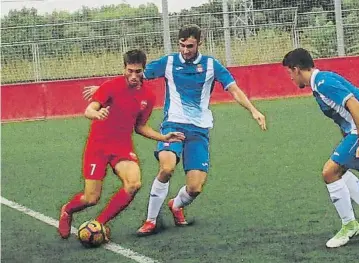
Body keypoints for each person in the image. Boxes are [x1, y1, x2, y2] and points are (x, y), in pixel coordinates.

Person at [83, 24, 267, 236]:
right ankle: (150, 220)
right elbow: (136, 75)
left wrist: (253, 110)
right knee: (167, 167)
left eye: (190, 46)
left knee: (195, 188)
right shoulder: (169, 62)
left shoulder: (211, 65)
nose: (185, 50)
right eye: (182, 45)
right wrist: (105, 89)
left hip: (199, 131)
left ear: (199, 43)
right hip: (173, 125)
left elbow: (233, 89)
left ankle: (176, 205)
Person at [58, 49, 185, 240]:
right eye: (130, 70)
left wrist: (163, 138)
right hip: (98, 146)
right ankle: (67, 210)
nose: (134, 76)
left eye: (138, 71)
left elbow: (140, 126)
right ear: (124, 68)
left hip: (122, 147)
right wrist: (96, 114)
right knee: (91, 198)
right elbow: (89, 109)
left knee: (133, 183)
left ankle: (99, 223)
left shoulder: (148, 97)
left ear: (144, 70)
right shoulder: (111, 86)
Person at [282, 48, 359, 248]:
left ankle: (349, 226)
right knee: (339, 170)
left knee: (329, 172)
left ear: (296, 69)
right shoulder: (319, 83)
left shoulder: (324, 82)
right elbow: (342, 114)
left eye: (289, 72)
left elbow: (354, 105)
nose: (290, 78)